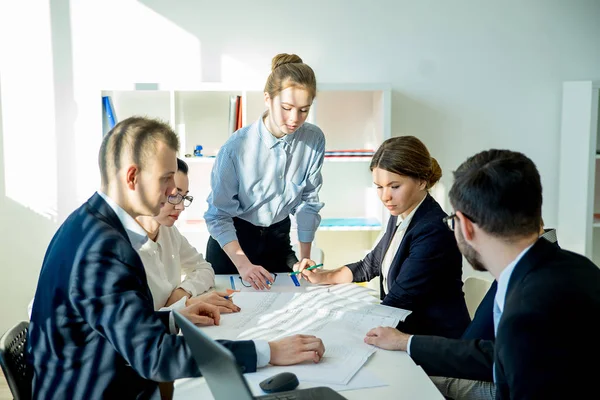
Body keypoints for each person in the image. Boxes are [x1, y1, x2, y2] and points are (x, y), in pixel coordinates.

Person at [27, 116, 325, 399]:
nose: (174, 193)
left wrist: (173, 319)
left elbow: (115, 322)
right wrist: (268, 352)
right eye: (167, 180)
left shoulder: (88, 221)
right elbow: (154, 356)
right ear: (132, 177)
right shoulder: (103, 249)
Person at [369, 149, 600, 399]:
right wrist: (407, 342)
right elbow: (501, 354)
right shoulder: (579, 267)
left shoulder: (527, 310)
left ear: (465, 227)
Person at [297, 136, 471, 338]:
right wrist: (323, 276)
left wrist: (334, 320)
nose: (385, 196)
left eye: (394, 186)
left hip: (433, 342)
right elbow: (369, 266)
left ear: (422, 181)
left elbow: (400, 299)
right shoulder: (401, 215)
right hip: (404, 332)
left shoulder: (433, 229)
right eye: (379, 187)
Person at [364, 226, 558, 400]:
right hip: (472, 361)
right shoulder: (530, 264)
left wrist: (405, 342)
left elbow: (498, 360)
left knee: (397, 383)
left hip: (496, 384)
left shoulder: (537, 281)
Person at [204, 53, 325, 290]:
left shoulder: (313, 139)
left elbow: (308, 202)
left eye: (304, 110)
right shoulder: (236, 148)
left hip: (278, 240)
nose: (294, 119)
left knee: (285, 315)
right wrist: (244, 265)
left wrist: (304, 258)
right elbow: (217, 215)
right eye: (287, 108)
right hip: (234, 246)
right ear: (268, 99)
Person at [135, 158, 238, 314]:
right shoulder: (126, 246)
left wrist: (182, 293)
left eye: (184, 197)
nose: (181, 206)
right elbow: (140, 322)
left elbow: (204, 269)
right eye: (174, 196)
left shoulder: (168, 231)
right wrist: (185, 304)